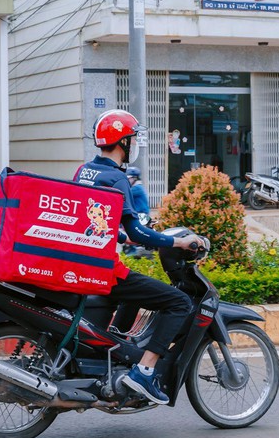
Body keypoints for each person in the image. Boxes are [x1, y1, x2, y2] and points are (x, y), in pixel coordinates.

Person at [74, 109, 197, 405]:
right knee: (179, 302)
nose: (134, 144)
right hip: (101, 269)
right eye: (131, 138)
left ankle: (116, 343)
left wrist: (120, 236)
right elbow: (140, 233)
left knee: (138, 287)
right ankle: (144, 369)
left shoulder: (84, 171)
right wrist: (177, 242)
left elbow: (89, 221)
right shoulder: (117, 178)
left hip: (79, 261)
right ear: (122, 143)